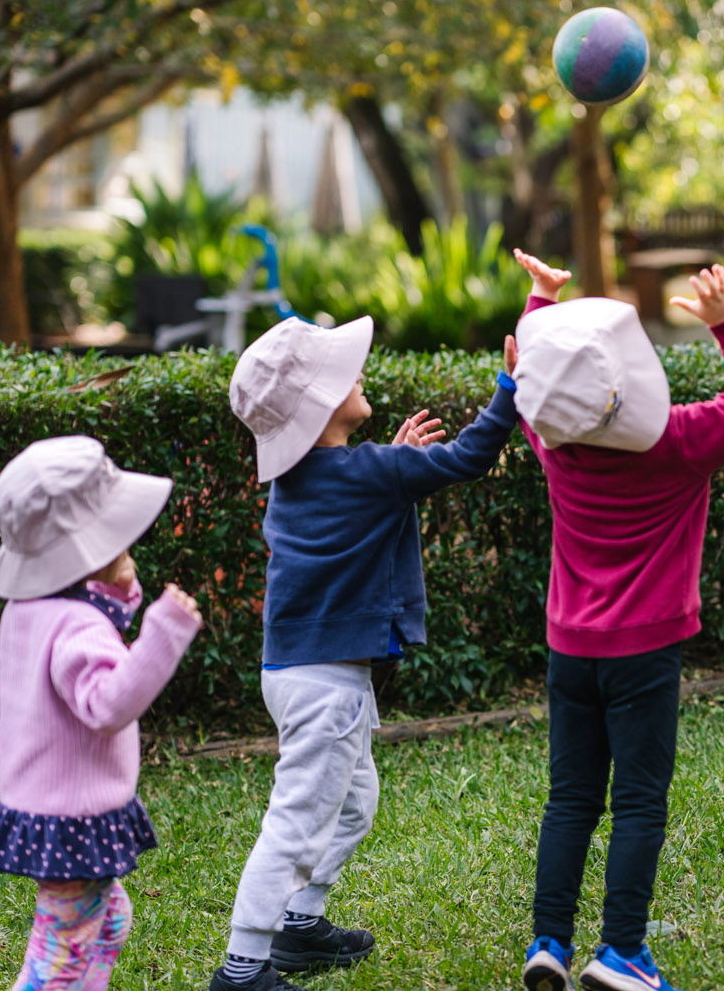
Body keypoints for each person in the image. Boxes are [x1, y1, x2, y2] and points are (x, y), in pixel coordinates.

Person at [210, 314, 522, 991]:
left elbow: (368, 494)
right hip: (327, 685)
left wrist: (397, 464)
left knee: (352, 805)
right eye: (344, 372)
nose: (358, 373)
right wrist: (510, 387)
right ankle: (242, 970)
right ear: (323, 407)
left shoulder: (307, 481)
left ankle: (300, 927)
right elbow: (467, 459)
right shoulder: (373, 472)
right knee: (295, 824)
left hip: (298, 674)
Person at [510, 250, 724, 991]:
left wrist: (540, 302)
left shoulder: (557, 444)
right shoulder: (678, 442)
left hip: (570, 654)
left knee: (569, 800)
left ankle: (548, 942)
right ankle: (624, 951)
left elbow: (537, 387)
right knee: (638, 801)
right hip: (646, 654)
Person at [0, 435, 203, 990]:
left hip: (47, 808)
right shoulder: (78, 627)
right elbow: (106, 704)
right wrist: (163, 632)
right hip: (71, 815)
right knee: (57, 959)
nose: (131, 553)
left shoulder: (30, 610)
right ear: (87, 554)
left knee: (109, 921)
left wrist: (117, 590)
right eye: (123, 545)